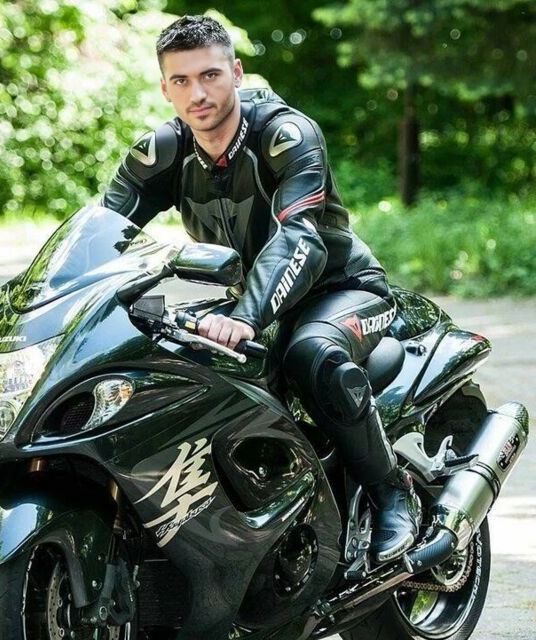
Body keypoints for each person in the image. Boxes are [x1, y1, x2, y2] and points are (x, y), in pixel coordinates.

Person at [102, 15, 420, 563]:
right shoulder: (163, 151)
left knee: (311, 355)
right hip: (251, 299)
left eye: (210, 75)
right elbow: (103, 233)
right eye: (181, 81)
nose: (198, 94)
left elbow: (301, 238)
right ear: (165, 88)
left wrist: (245, 318)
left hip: (341, 289)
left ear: (236, 72)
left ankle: (392, 493)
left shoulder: (285, 135)